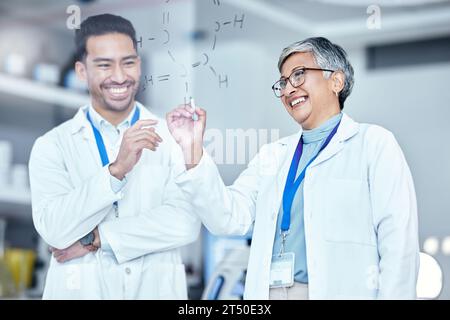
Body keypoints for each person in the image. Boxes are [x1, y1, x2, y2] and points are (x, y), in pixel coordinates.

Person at [167, 37, 419, 299]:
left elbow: (398, 244)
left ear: (336, 81)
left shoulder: (374, 144)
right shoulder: (272, 156)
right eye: (283, 82)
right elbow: (228, 218)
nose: (288, 90)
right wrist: (192, 148)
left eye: (299, 75)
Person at [29, 14, 200, 299]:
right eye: (104, 65)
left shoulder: (173, 137)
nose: (119, 76)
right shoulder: (52, 146)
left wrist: (95, 239)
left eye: (128, 62)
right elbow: (55, 230)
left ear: (139, 65)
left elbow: (186, 222)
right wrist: (116, 171)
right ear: (82, 72)